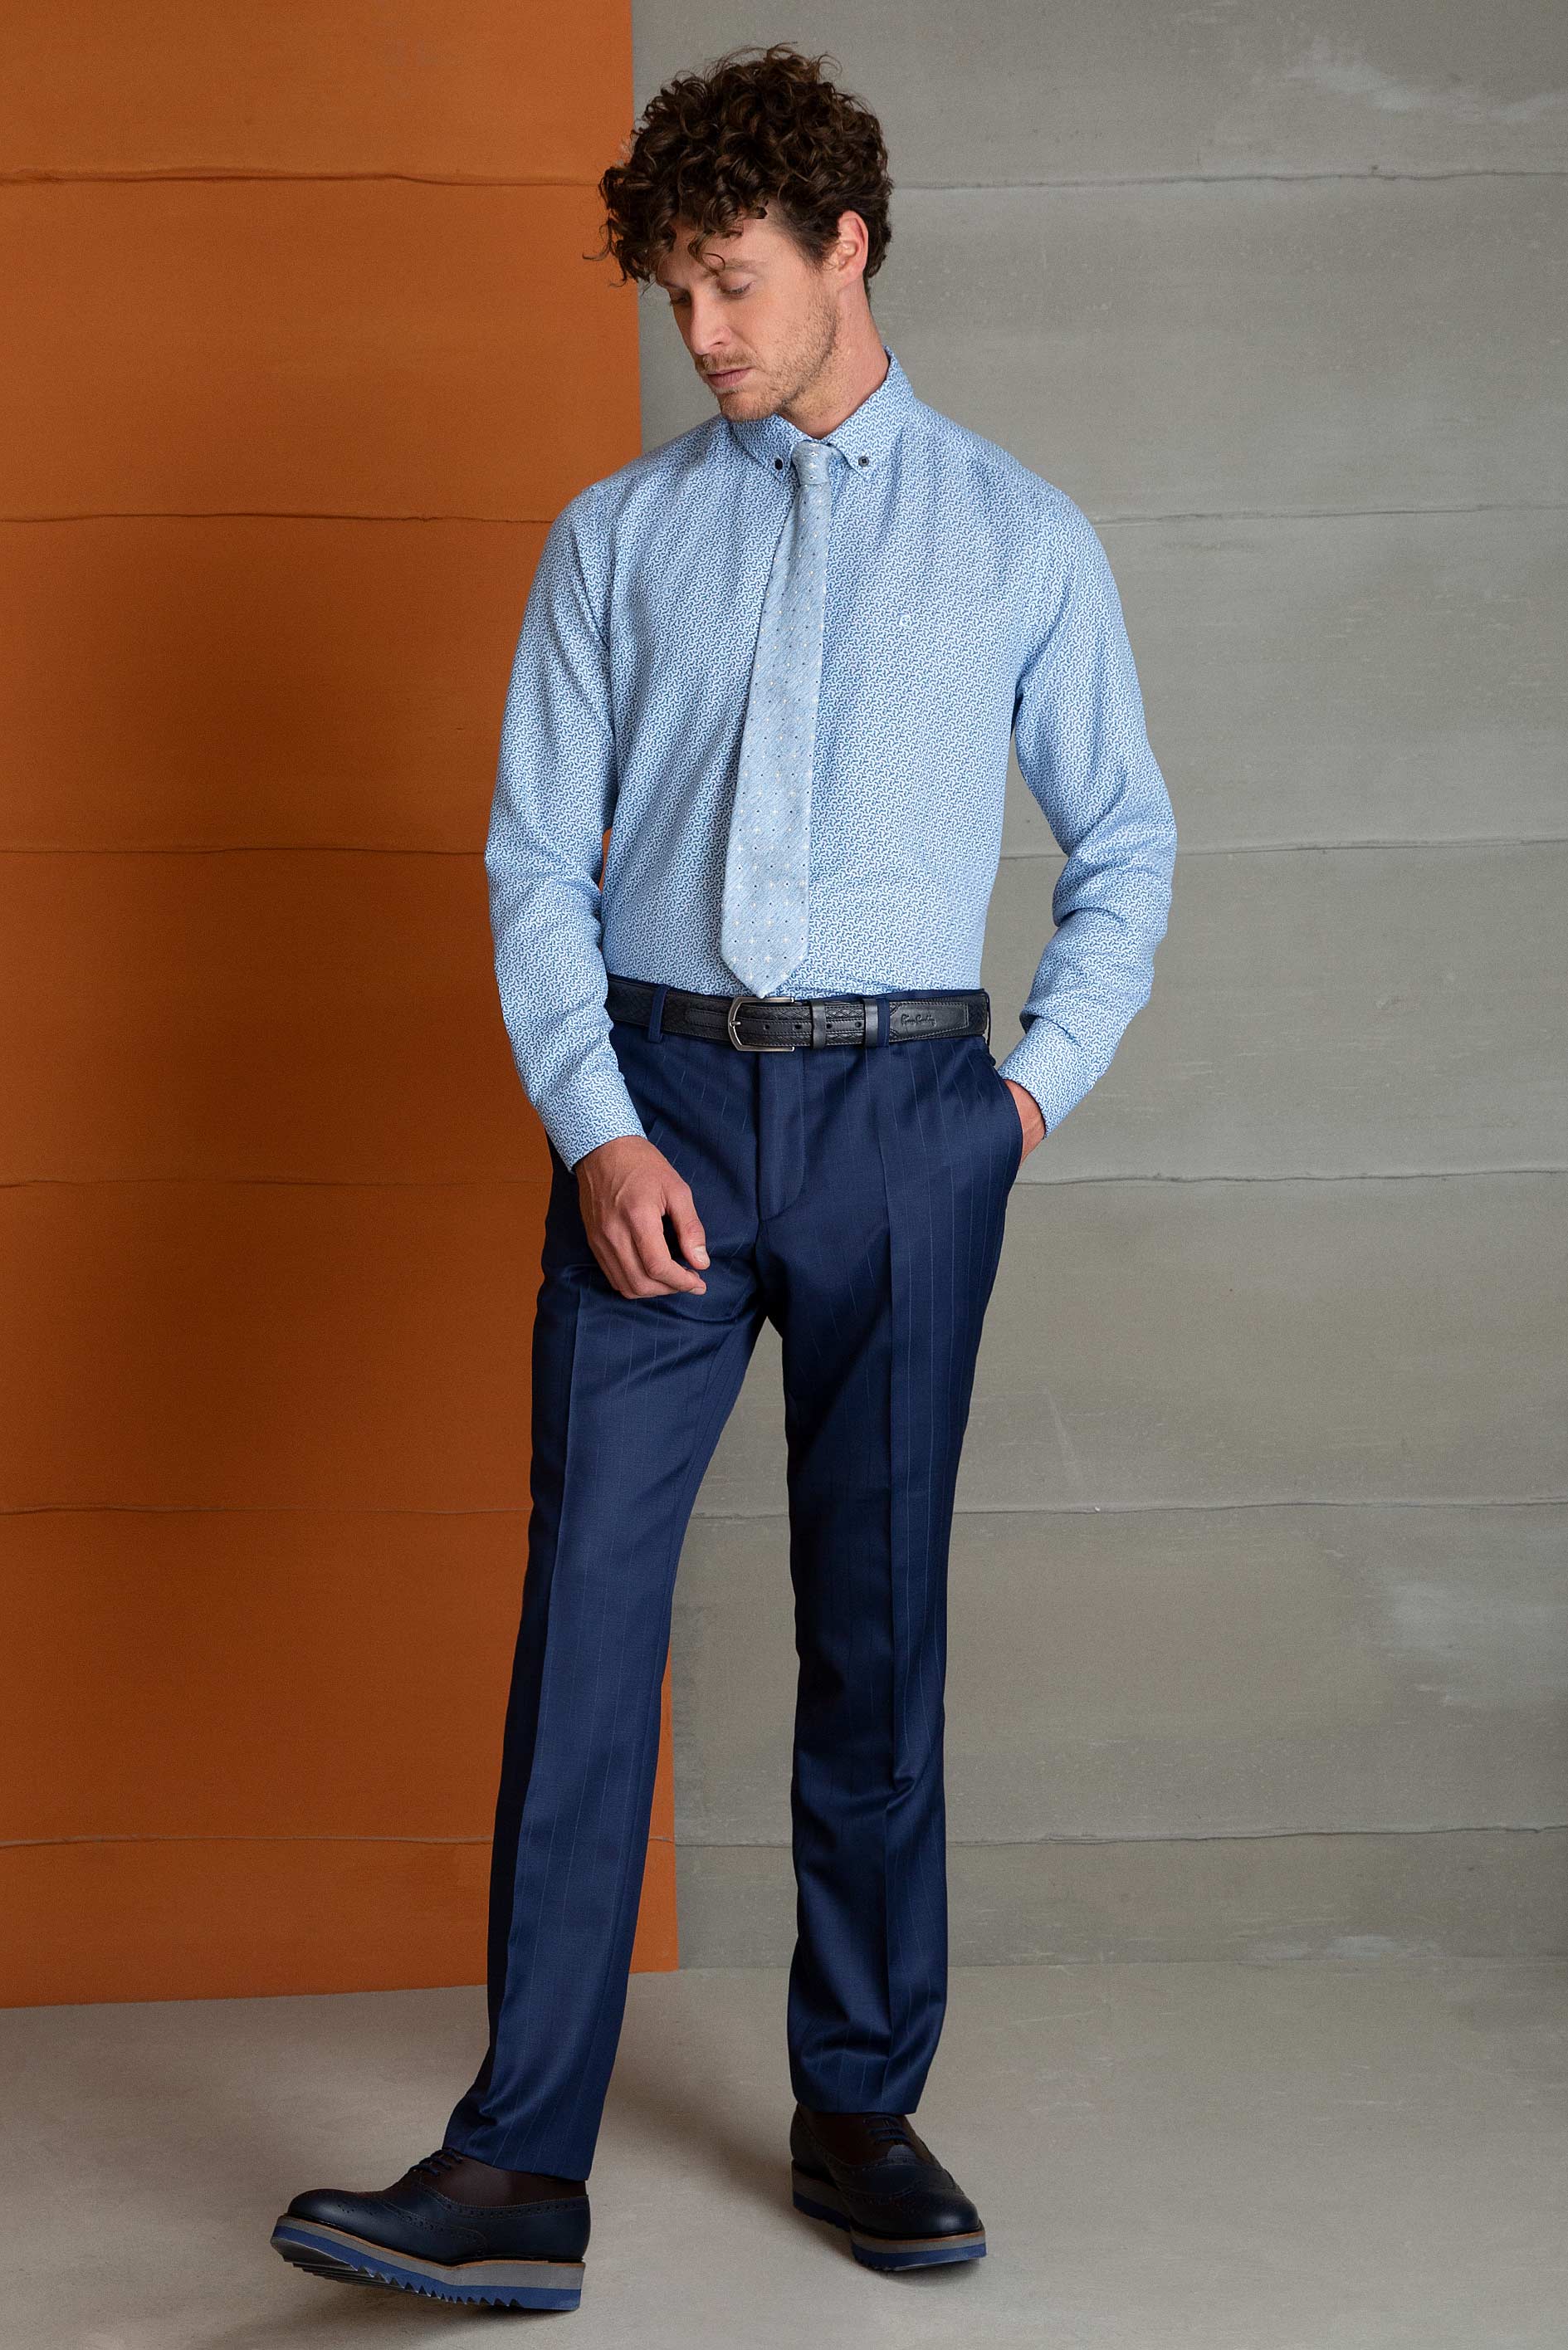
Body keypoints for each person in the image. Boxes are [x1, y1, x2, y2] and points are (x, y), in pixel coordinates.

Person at [271, 42, 1175, 2312]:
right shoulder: (617, 538)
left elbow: (1127, 849)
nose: (702, 331)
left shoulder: (1019, 536)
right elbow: (531, 863)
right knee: (586, 1633)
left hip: (903, 1122)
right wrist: (593, 1124)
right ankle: (516, 2166)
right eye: (674, 291)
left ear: (846, 249)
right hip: (653, 1111)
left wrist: (1015, 1108)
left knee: (876, 1631)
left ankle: (859, 2106)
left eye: (734, 281)